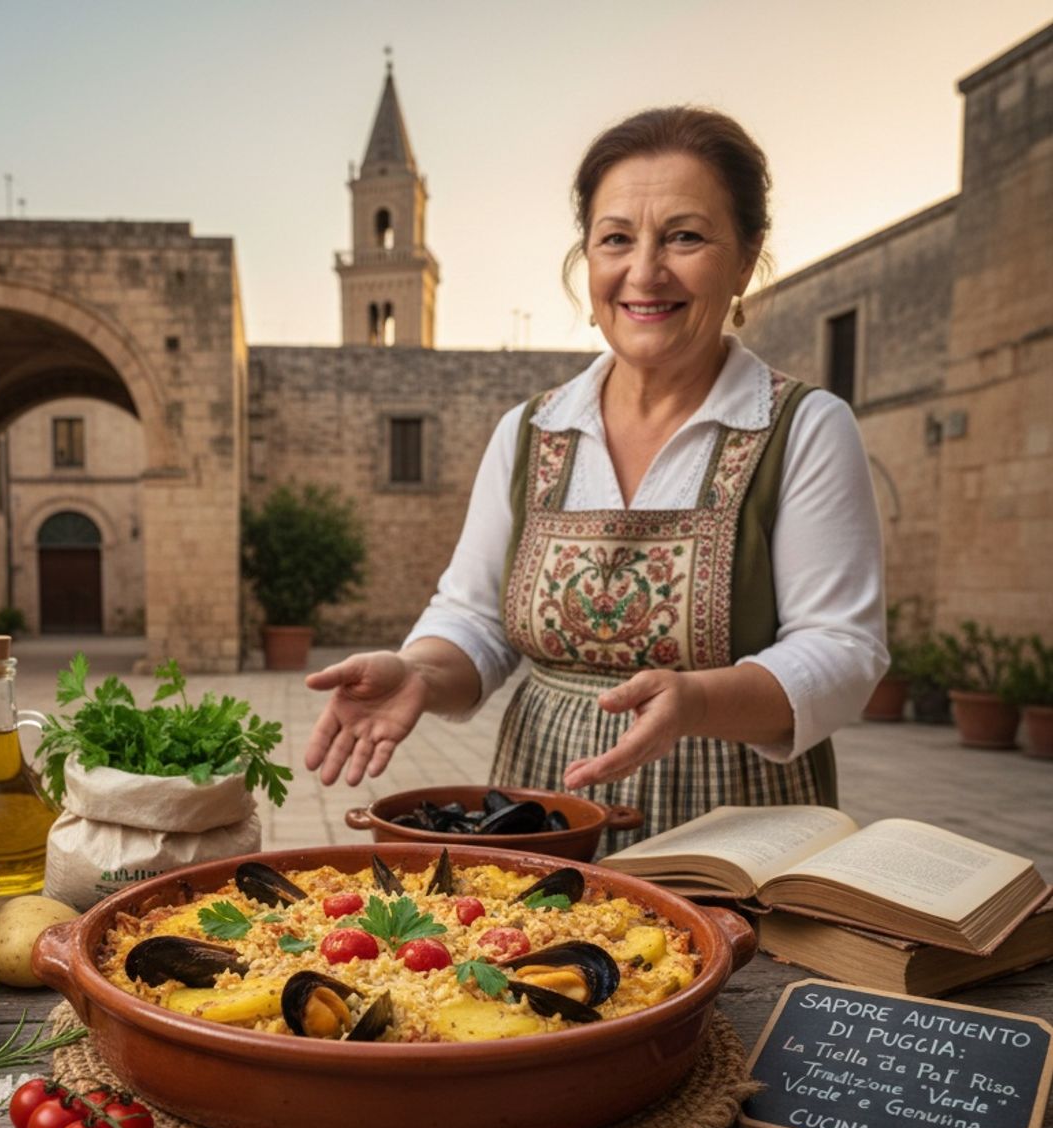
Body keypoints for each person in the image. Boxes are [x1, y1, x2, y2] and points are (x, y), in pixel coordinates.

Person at [305, 106, 887, 855]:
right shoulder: (530, 431)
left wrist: (696, 700)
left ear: (745, 260)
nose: (644, 272)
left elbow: (842, 650)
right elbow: (475, 619)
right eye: (616, 239)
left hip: (737, 836)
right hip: (542, 819)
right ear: (587, 258)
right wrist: (418, 672)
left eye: (684, 236)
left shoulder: (802, 428)